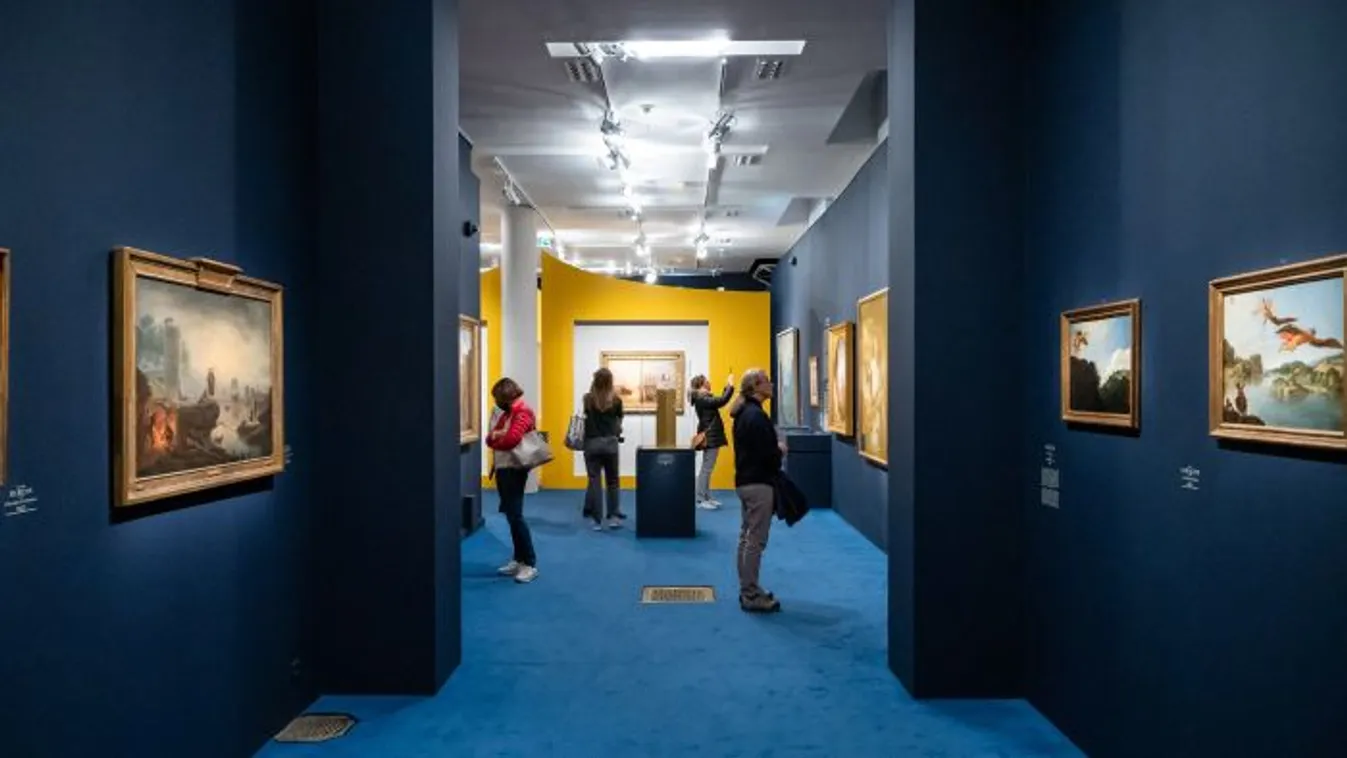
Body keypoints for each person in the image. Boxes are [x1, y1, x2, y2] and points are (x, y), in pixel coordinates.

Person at [729, 368, 785, 613]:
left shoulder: (744, 413)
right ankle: (750, 594)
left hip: (745, 482)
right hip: (759, 484)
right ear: (756, 385)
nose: (771, 384)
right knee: (755, 541)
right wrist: (780, 450)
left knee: (746, 537)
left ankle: (748, 589)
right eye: (767, 381)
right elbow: (768, 456)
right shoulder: (757, 416)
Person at [485, 377, 539, 583]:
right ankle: (518, 559)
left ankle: (530, 563)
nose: (496, 402)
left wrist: (498, 438)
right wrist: (497, 436)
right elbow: (489, 437)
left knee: (516, 516)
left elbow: (511, 440)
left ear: (505, 396)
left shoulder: (523, 412)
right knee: (511, 516)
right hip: (503, 468)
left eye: (497, 398)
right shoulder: (508, 413)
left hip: (515, 469)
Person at [582, 367, 626, 530]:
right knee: (613, 481)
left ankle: (596, 521)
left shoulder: (587, 399)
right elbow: (619, 423)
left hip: (592, 444)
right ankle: (613, 517)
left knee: (594, 481)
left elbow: (585, 418)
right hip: (610, 444)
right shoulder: (616, 400)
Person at [690, 373, 734, 509]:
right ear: (702, 384)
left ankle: (706, 497)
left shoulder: (703, 398)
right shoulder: (702, 398)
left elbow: (719, 400)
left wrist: (727, 387)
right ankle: (700, 499)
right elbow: (722, 400)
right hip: (710, 437)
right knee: (706, 469)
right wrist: (730, 385)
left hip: (711, 436)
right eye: (707, 381)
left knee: (707, 468)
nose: (709, 382)